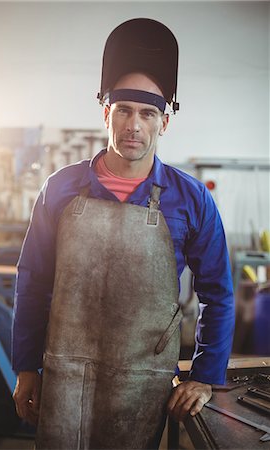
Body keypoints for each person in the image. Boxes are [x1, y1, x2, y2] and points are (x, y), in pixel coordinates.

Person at [12, 18, 235, 449]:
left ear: (163, 123)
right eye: (124, 111)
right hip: (64, 377)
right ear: (106, 114)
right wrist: (25, 367)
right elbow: (32, 282)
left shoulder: (191, 200)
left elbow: (218, 293)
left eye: (148, 114)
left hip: (145, 385)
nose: (134, 125)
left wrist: (205, 376)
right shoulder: (59, 190)